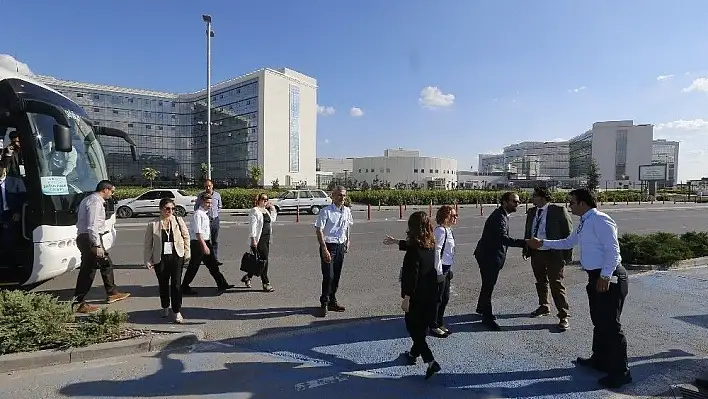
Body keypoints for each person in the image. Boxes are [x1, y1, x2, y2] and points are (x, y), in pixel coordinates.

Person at [527, 188, 632, 389]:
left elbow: (613, 249)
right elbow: (568, 242)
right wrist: (542, 243)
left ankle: (621, 372)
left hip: (609, 277)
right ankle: (600, 360)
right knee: (599, 321)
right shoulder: (585, 221)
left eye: (572, 202)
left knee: (611, 326)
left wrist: (605, 275)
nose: (570, 206)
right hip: (596, 276)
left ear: (583, 203)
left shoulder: (601, 220)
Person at [383, 205, 458, 338]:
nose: (455, 217)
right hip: (439, 270)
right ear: (446, 216)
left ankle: (439, 322)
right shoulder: (440, 231)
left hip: (446, 268)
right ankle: (433, 325)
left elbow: (422, 246)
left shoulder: (448, 230)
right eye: (453, 215)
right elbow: (433, 252)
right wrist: (439, 272)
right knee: (438, 299)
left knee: (444, 298)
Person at [73, 180, 130, 314]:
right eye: (112, 191)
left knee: (104, 265)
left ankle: (111, 293)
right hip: (90, 239)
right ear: (105, 189)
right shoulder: (95, 202)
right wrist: (96, 244)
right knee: (89, 270)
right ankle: (78, 301)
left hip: (87, 238)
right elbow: (92, 225)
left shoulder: (88, 199)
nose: (112, 194)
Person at [473, 191, 526, 331]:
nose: (518, 204)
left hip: (488, 255)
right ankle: (487, 317)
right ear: (505, 202)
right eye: (514, 201)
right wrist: (525, 243)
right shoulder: (499, 217)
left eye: (518, 201)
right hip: (488, 257)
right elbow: (503, 238)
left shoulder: (502, 215)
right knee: (488, 286)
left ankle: (481, 308)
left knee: (487, 284)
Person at [523, 186, 573, 331]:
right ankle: (544, 306)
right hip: (537, 252)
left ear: (543, 197)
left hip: (554, 252)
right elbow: (529, 230)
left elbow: (568, 232)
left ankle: (563, 315)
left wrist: (566, 255)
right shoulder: (532, 212)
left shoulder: (558, 210)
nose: (532, 198)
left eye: (535, 196)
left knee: (556, 284)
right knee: (540, 281)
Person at [400, 211, 441, 379]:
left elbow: (412, 275)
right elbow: (409, 245)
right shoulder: (430, 243)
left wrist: (407, 297)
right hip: (430, 292)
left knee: (412, 327)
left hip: (416, 295)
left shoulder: (414, 250)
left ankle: (430, 361)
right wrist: (396, 242)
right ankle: (412, 355)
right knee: (422, 327)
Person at [143, 197, 191, 324]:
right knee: (163, 284)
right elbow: (148, 244)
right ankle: (165, 306)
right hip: (160, 258)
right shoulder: (153, 224)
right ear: (161, 209)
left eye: (172, 208)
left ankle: (176, 311)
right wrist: (147, 260)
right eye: (167, 208)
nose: (170, 211)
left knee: (176, 285)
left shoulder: (178, 220)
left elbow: (186, 237)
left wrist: (187, 253)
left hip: (176, 256)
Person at [181, 192, 234, 295]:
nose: (209, 205)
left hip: (205, 241)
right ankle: (184, 286)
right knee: (194, 266)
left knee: (213, 265)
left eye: (210, 203)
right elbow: (198, 232)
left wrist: (206, 244)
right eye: (207, 203)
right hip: (198, 243)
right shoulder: (198, 214)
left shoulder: (204, 214)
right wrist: (204, 246)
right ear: (201, 202)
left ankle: (222, 283)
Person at [314, 186, 353, 317]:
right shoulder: (326, 211)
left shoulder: (347, 211)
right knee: (328, 276)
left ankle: (332, 300)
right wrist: (324, 248)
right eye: (339, 195)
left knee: (336, 276)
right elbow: (319, 230)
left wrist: (347, 241)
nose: (342, 198)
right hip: (329, 246)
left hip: (340, 245)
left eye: (344, 195)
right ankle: (324, 302)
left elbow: (347, 226)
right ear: (333, 196)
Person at [242, 192, 277, 292]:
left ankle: (248, 277)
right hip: (258, 239)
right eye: (263, 199)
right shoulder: (255, 210)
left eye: (267, 199)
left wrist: (273, 209)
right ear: (258, 200)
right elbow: (252, 226)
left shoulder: (266, 211)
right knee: (264, 261)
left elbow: (272, 220)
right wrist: (253, 239)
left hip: (266, 239)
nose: (265, 201)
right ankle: (266, 283)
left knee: (259, 261)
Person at [0, 150, 26, 250]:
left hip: (9, 215)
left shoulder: (16, 181)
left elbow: (23, 198)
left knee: (9, 243)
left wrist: (18, 212)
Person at [194, 179, 223, 265]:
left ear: (212, 185)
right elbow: (196, 207)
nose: (208, 187)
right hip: (204, 220)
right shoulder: (201, 196)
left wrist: (215, 213)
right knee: (203, 240)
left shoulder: (217, 195)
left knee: (214, 240)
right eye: (206, 186)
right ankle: (200, 258)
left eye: (209, 186)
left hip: (214, 220)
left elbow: (220, 206)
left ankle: (215, 258)